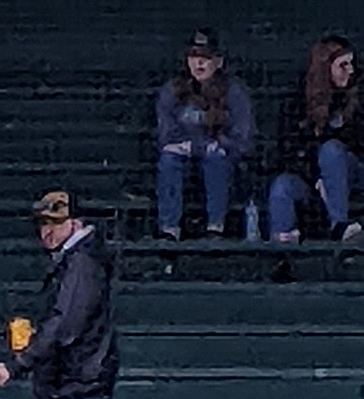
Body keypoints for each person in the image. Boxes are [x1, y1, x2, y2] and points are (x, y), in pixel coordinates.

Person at [0, 190, 117, 399]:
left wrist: (19, 364)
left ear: (75, 223)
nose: (47, 232)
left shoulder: (82, 264)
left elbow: (65, 325)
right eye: (43, 224)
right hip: (68, 387)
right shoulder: (78, 259)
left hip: (77, 386)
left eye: (55, 224)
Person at [155, 29, 256, 240]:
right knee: (168, 160)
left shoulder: (234, 92)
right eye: (194, 57)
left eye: (205, 58)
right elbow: (166, 131)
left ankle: (216, 226)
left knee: (215, 158)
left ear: (218, 61)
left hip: (223, 159)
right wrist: (187, 145)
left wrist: (222, 144)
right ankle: (169, 228)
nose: (199, 64)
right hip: (184, 155)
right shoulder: (173, 90)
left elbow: (243, 137)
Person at [268, 35, 363, 244]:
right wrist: (315, 177)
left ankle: (340, 224)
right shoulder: (297, 103)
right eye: (343, 65)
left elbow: (358, 144)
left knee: (331, 150)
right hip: (311, 178)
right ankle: (282, 254)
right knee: (281, 187)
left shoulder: (357, 99)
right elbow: (288, 151)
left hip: (351, 173)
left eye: (352, 64)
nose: (351, 70)